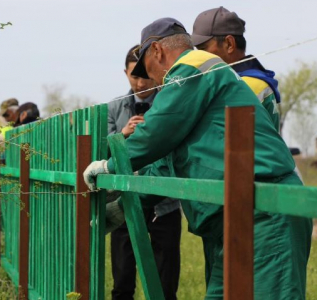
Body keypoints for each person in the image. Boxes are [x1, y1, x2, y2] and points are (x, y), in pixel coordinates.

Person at [84, 18, 312, 300]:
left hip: (263, 213)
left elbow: (156, 131)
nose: (150, 80)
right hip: (232, 218)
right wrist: (123, 207)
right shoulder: (191, 95)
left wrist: (110, 165)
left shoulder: (194, 66)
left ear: (157, 50)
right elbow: (166, 165)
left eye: (148, 70)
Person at [107, 45, 181, 300]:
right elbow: (100, 148)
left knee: (165, 280)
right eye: (133, 76)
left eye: (144, 76)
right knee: (122, 277)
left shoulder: (169, 102)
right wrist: (122, 134)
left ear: (153, 70)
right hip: (125, 197)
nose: (140, 83)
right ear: (125, 74)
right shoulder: (114, 107)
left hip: (164, 202)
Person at [192, 7, 280, 132]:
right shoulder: (254, 78)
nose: (199, 56)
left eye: (203, 48)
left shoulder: (243, 85)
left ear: (229, 44)